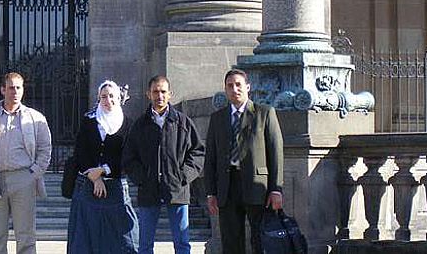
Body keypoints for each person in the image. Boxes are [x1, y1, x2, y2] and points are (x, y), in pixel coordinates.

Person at [0, 72, 52, 254]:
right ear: (2, 90)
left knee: (26, 235)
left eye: (18, 88)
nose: (15, 92)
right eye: (11, 87)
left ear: (23, 91)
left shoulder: (35, 118)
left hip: (24, 178)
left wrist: (34, 172)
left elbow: (45, 149)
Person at [122, 75, 205, 254]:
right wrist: (142, 178)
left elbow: (198, 153)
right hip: (148, 190)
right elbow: (129, 157)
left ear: (170, 94)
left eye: (163, 91)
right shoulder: (139, 125)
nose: (159, 95)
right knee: (145, 244)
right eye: (155, 92)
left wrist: (183, 177)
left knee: (182, 243)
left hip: (177, 190)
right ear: (148, 94)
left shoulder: (183, 123)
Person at [204, 69, 284, 254]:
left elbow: (276, 153)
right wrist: (210, 193)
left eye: (238, 85)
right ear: (225, 90)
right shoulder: (217, 118)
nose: (235, 89)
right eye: (230, 86)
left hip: (258, 188)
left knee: (261, 240)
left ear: (248, 87)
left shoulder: (264, 113)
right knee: (231, 242)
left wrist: (276, 189)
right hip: (227, 187)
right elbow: (211, 158)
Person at [67, 80, 139, 254]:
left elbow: (127, 155)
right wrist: (94, 176)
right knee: (85, 239)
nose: (108, 100)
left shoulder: (127, 124)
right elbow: (80, 151)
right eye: (104, 97)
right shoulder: (88, 121)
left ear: (118, 97)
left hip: (116, 187)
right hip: (88, 185)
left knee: (124, 239)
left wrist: (104, 170)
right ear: (99, 99)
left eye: (112, 96)